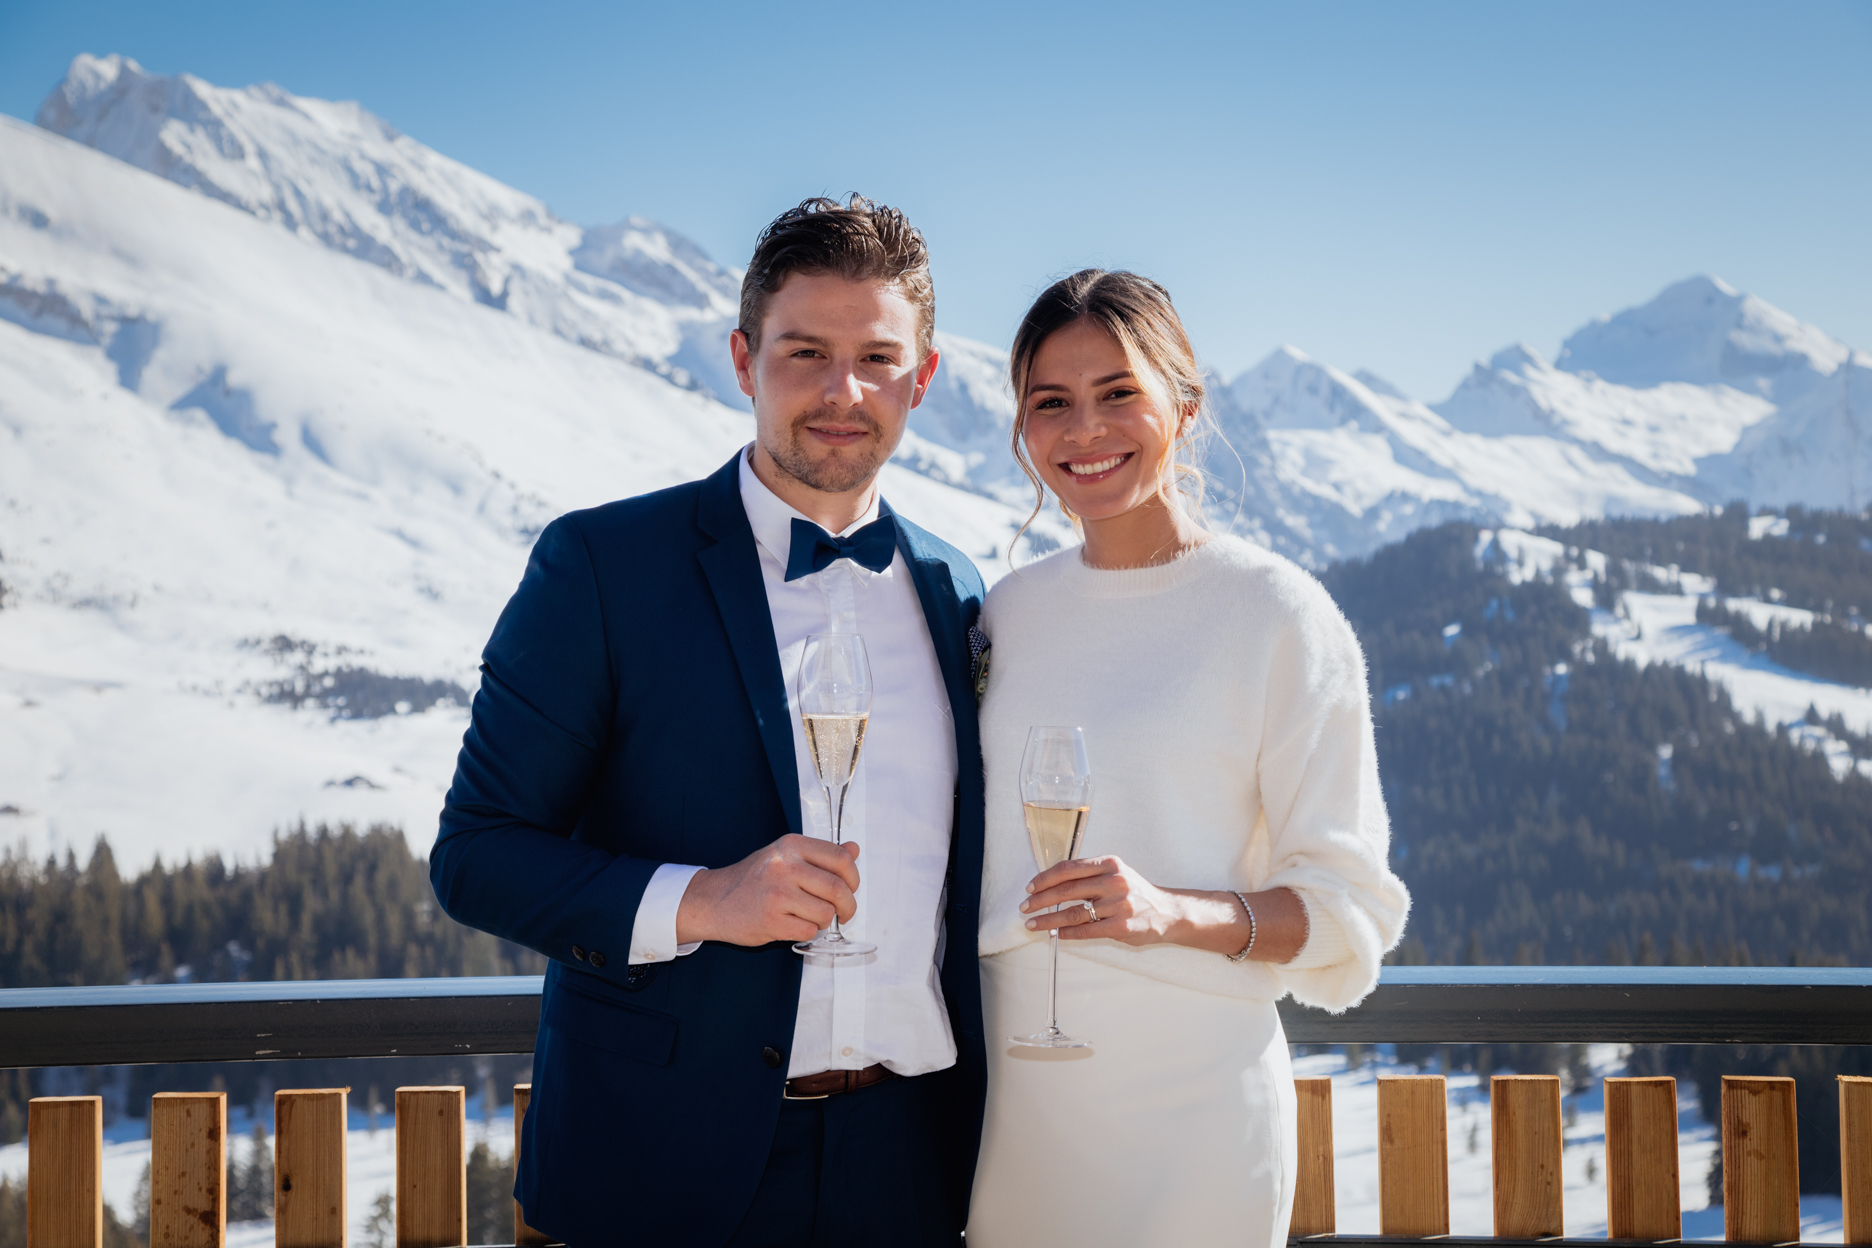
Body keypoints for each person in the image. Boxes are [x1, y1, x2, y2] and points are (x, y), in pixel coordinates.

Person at [431, 196, 988, 1247]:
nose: (842, 391)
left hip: (912, 1167)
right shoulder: (601, 568)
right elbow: (476, 856)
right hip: (662, 1166)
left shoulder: (957, 586)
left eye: (876, 357)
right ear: (743, 359)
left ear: (924, 378)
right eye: (804, 351)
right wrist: (703, 900)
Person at [966, 270, 1411, 1247]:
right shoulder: (1007, 614)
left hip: (1194, 1109)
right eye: (1052, 403)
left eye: (1119, 393)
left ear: (1186, 406)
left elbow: (1347, 910)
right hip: (1013, 1107)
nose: (1086, 429)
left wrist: (1171, 913)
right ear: (1021, 428)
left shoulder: (1277, 615)